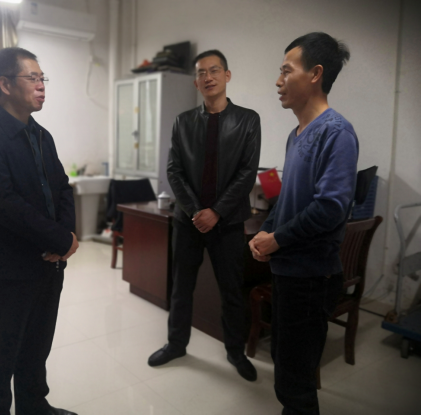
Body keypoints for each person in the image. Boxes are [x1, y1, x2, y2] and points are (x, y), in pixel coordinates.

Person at [0, 47, 79, 415]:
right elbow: (3, 203)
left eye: (43, 79)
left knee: (37, 345)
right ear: (5, 84)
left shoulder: (43, 136)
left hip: (49, 265)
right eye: (33, 78)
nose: (42, 85)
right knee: (3, 350)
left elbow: (62, 188)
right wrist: (58, 238)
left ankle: (34, 406)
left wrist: (66, 237)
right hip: (8, 270)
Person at [250, 32, 358, 414]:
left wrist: (278, 238)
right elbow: (287, 199)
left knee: (296, 385)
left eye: (286, 71)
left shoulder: (336, 132)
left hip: (311, 277)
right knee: (286, 368)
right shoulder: (295, 135)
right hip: (288, 272)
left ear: (315, 74)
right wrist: (267, 229)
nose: (278, 81)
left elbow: (330, 207)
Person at [148, 50, 261, 382]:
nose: (208, 77)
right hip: (189, 221)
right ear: (196, 82)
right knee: (181, 287)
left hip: (229, 222)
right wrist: (196, 211)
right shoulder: (183, 121)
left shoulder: (248, 120)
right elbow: (174, 171)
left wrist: (217, 212)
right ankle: (176, 344)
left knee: (232, 290)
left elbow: (247, 173)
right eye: (201, 72)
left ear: (227, 75)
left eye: (214, 70)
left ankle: (235, 352)